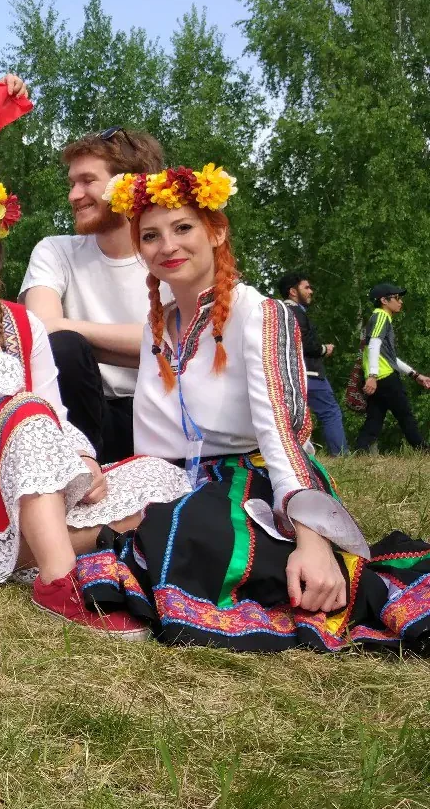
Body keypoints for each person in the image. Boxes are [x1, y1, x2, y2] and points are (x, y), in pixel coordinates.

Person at [88, 166, 430, 652]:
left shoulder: (263, 314)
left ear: (216, 231)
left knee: (183, 529)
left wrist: (312, 540)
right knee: (72, 504)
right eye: (150, 235)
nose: (167, 246)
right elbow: (154, 435)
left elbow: (284, 435)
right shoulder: (155, 327)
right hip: (169, 473)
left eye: (182, 228)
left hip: (252, 472)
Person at [0, 176, 187, 637]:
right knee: (22, 407)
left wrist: (81, 456)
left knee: (162, 477)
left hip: (23, 477)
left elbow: (55, 411)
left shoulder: (24, 323)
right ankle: (58, 582)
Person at [20, 128, 166, 461]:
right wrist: (152, 348)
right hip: (88, 414)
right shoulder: (55, 250)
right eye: (72, 183)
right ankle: (81, 469)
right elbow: (42, 335)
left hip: (168, 413)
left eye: (87, 181)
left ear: (130, 185)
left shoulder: (172, 253)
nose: (74, 195)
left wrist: (71, 329)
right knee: (63, 347)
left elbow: (189, 343)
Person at [277, 271, 346, 456]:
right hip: (310, 373)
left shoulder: (278, 313)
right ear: (293, 291)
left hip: (287, 374)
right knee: (330, 412)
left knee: (291, 418)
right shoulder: (296, 312)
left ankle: (292, 454)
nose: (311, 291)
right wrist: (324, 349)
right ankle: (340, 454)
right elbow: (304, 344)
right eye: (306, 287)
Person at [355, 282, 429, 453]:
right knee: (405, 415)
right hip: (385, 376)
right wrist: (372, 376)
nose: (400, 301)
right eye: (396, 297)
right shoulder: (381, 316)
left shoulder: (377, 318)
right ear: (384, 300)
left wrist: (415, 374)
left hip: (380, 376)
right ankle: (423, 450)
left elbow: (389, 357)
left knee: (374, 419)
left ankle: (360, 452)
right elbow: (374, 345)